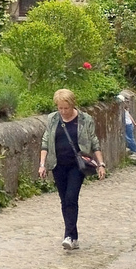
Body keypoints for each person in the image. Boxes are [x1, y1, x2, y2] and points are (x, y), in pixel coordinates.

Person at [38, 89, 105, 250]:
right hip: (58, 165)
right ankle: (73, 237)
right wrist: (42, 164)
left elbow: (94, 141)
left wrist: (101, 164)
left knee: (71, 197)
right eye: (60, 108)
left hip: (77, 165)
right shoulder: (53, 119)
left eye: (66, 108)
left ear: (72, 105)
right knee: (64, 200)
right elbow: (46, 141)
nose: (63, 111)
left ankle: (67, 235)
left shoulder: (84, 119)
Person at [117, 89, 136, 161]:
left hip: (128, 125)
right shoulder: (126, 109)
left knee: (129, 138)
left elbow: (128, 117)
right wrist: (134, 123)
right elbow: (130, 116)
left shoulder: (124, 109)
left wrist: (134, 123)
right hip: (129, 124)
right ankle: (134, 150)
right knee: (129, 137)